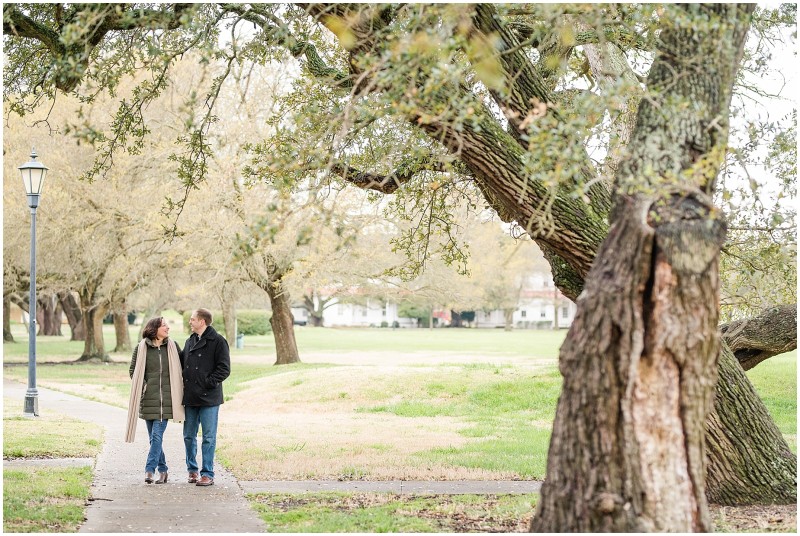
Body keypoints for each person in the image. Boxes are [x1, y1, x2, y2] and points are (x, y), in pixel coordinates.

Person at [125, 316, 184, 484]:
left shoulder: (172, 347)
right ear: (154, 329)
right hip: (148, 400)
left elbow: (182, 368)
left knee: (157, 437)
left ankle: (149, 470)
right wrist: (144, 387)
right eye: (164, 325)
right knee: (154, 439)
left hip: (167, 400)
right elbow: (133, 371)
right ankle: (163, 470)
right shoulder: (141, 348)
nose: (168, 328)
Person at [181, 308, 230, 486]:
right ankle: (192, 470)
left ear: (202, 321)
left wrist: (208, 382)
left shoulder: (218, 341)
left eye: (192, 319)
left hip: (209, 398)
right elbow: (181, 364)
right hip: (191, 397)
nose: (190, 322)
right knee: (188, 435)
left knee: (208, 437)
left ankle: (207, 473)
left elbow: (224, 369)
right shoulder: (190, 341)